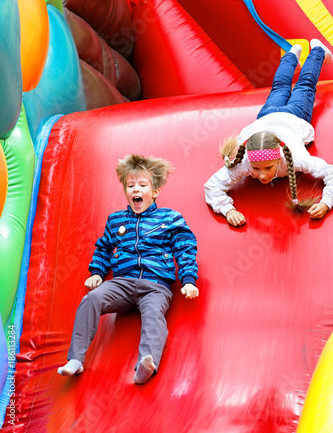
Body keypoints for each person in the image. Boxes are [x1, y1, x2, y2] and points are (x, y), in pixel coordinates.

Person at [58, 154, 199, 383]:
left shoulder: (170, 218)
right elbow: (103, 248)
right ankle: (76, 359)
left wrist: (189, 280)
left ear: (154, 192)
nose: (136, 189)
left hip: (155, 286)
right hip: (122, 284)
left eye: (142, 185)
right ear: (125, 191)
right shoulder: (116, 221)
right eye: (131, 185)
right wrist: (97, 273)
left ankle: (146, 365)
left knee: (154, 316)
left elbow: (185, 248)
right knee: (91, 299)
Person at [204, 38, 333, 227]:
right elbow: (212, 186)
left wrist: (326, 203)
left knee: (296, 86)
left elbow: (330, 173)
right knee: (290, 86)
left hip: (286, 116)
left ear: (279, 158)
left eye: (268, 168)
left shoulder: (296, 158)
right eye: (256, 169)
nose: (262, 175)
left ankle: (313, 51)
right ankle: (296, 54)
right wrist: (228, 209)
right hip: (273, 116)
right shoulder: (245, 162)